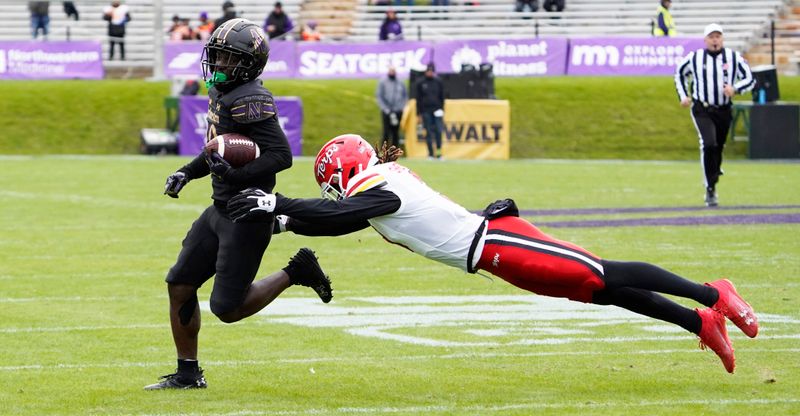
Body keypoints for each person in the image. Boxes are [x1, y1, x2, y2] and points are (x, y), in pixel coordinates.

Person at [228, 134, 760, 374]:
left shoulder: (378, 185)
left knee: (604, 273)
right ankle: (699, 323)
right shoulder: (374, 192)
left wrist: (280, 203)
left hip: (499, 243)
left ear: (345, 169)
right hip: (493, 253)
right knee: (603, 292)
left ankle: (715, 293)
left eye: (331, 183)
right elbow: (340, 222)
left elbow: (342, 214)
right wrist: (285, 219)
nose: (334, 193)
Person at [146, 18, 333, 390]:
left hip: (247, 213)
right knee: (180, 283)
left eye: (227, 58)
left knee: (227, 308)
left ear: (247, 64)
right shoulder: (222, 92)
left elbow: (281, 155)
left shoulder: (252, 98)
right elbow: (217, 148)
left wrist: (235, 177)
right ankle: (187, 374)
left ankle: (297, 271)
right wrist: (187, 172)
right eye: (216, 55)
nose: (217, 64)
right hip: (219, 209)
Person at [674, 23, 754, 207]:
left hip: (723, 109)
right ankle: (710, 187)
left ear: (722, 39)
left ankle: (713, 176)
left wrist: (735, 89)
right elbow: (679, 74)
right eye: (711, 37)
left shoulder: (733, 57)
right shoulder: (695, 58)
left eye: (718, 36)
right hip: (702, 108)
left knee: (718, 147)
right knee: (708, 143)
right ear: (705, 40)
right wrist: (683, 95)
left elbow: (750, 78)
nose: (715, 40)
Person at [416, 64, 445, 159]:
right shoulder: (421, 83)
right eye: (428, 71)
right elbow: (418, 99)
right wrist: (419, 113)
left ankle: (439, 153)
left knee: (438, 131)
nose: (430, 73)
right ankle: (431, 154)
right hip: (426, 111)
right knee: (428, 132)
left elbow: (442, 96)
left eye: (431, 71)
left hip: (437, 110)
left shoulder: (438, 82)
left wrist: (441, 109)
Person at [376, 66, 408, 150]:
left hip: (397, 111)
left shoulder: (400, 82)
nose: (392, 72)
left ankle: (394, 152)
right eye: (391, 71)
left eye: (393, 71)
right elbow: (379, 96)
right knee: (386, 132)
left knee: (395, 132)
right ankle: (383, 152)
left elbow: (405, 96)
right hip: (386, 111)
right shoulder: (383, 82)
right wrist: (385, 108)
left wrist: (401, 107)